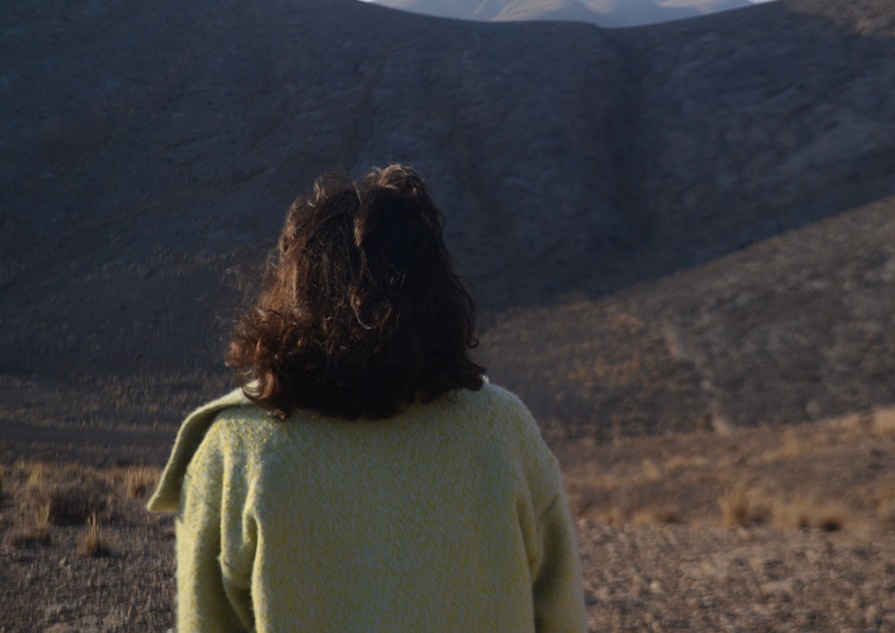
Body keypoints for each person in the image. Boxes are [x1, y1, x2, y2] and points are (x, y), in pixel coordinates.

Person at [148, 165, 588, 632]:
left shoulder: (234, 448)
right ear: (438, 292)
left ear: (294, 290)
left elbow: (206, 621)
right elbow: (560, 617)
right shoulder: (503, 431)